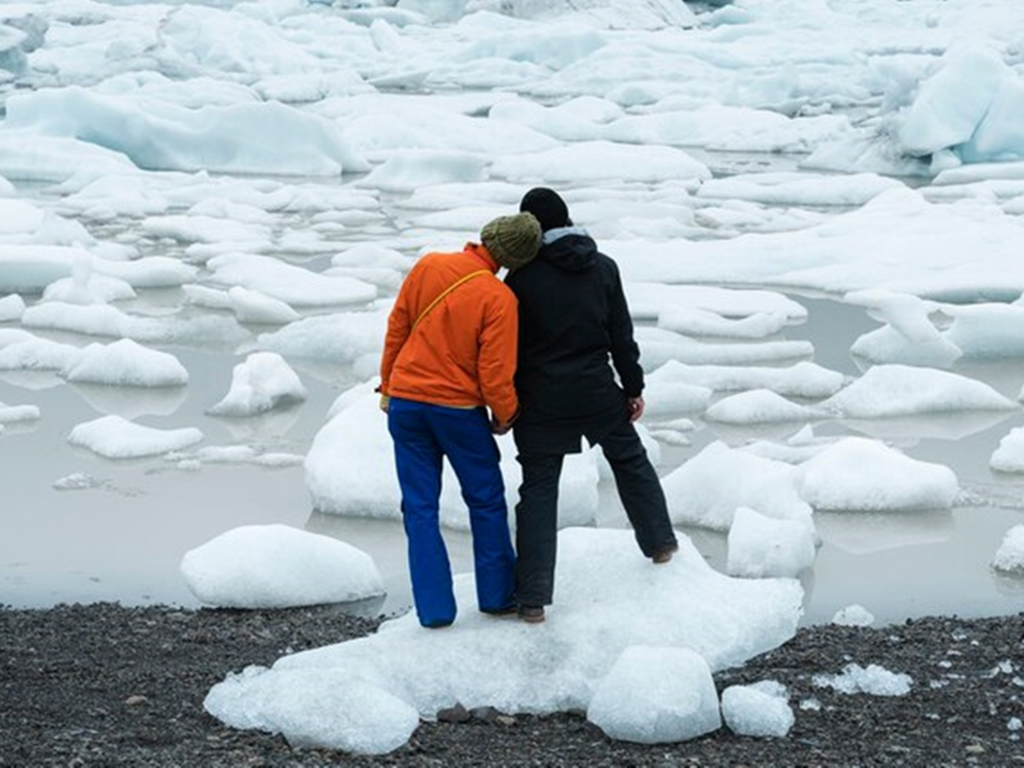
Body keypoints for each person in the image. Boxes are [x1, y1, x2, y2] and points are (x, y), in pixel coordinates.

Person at [506, 188, 679, 624]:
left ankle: (532, 601)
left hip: (540, 400)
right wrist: (633, 386)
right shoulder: (602, 267)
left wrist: (505, 401)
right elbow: (621, 333)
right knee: (630, 460)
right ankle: (660, 544)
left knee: (539, 491)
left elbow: (506, 349)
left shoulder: (521, 278)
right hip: (596, 390)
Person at [379, 212, 542, 628]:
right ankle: (496, 596)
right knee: (485, 501)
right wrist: (506, 415)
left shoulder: (429, 264)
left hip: (407, 405)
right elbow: (494, 372)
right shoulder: (499, 298)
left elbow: (397, 328)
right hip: (458, 413)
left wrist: (387, 387)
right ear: (518, 260)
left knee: (419, 508)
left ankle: (434, 610)